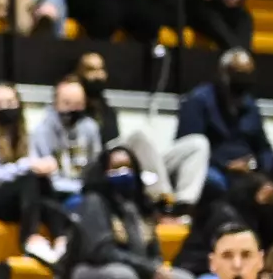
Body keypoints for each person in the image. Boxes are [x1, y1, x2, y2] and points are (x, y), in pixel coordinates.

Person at [68, 146, 197, 279]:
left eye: (129, 167)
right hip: (85, 272)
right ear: (104, 172)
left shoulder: (141, 206)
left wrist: (158, 271)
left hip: (138, 269)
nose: (124, 172)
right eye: (116, 167)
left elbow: (154, 252)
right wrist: (150, 270)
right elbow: (102, 252)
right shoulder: (94, 202)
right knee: (124, 278)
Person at [74, 52, 208, 213]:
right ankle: (162, 198)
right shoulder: (75, 107)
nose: (98, 75)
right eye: (91, 70)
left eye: (101, 69)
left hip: (124, 160)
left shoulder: (106, 107)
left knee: (197, 144)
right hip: (96, 163)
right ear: (79, 73)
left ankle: (184, 204)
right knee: (137, 138)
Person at [0, 82, 69, 265]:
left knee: (41, 183)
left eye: (10, 102)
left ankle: (61, 240)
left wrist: (45, 165)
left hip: (9, 198)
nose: (5, 108)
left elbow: (32, 163)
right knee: (29, 178)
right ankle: (29, 239)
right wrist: (29, 165)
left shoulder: (23, 132)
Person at [177, 50, 273, 192]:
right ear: (222, 74)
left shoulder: (250, 105)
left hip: (248, 170)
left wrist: (260, 166)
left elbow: (264, 147)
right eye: (238, 78)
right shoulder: (198, 101)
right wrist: (225, 165)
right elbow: (188, 149)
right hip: (213, 168)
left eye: (247, 79)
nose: (242, 84)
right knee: (214, 183)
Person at [175, 171, 273, 279]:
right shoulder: (224, 215)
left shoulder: (253, 215)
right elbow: (228, 259)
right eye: (265, 196)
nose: (269, 201)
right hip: (201, 271)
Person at [31, 77, 103, 210]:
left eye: (78, 104)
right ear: (55, 103)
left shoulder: (90, 127)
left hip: (84, 188)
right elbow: (39, 170)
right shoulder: (42, 131)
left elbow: (95, 162)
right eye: (67, 103)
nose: (73, 109)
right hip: (55, 192)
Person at [183, 0, 253, 52]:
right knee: (211, 16)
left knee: (244, 16)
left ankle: (243, 53)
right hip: (198, 10)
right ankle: (239, 53)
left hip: (223, 7)